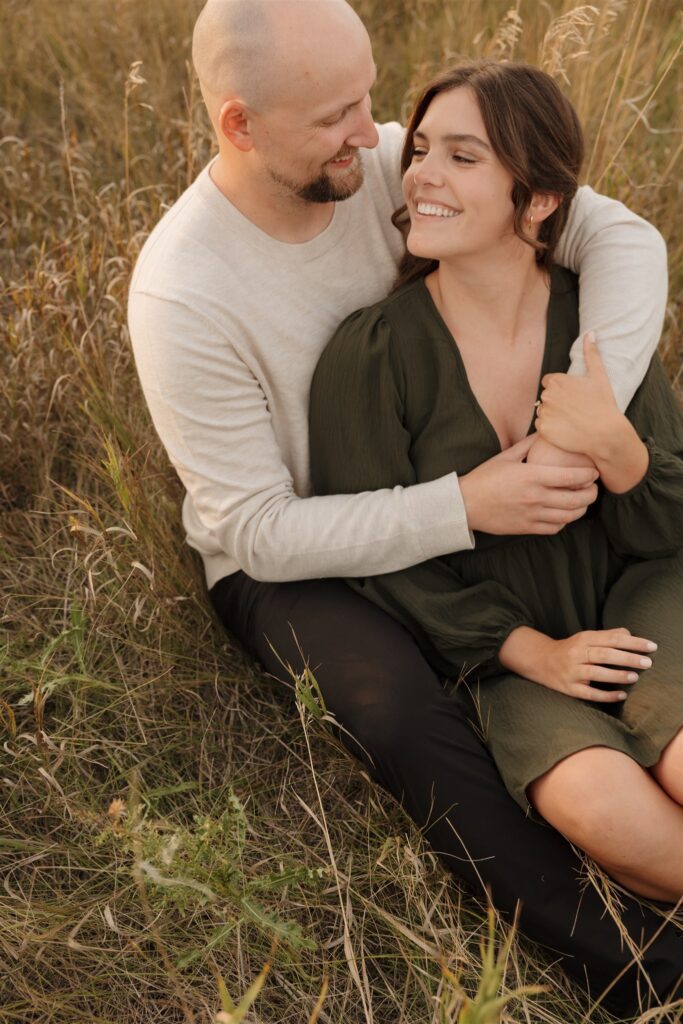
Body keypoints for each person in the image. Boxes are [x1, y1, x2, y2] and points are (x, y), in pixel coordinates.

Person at [127, 0, 681, 1012]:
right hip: (287, 550)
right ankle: (632, 965)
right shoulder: (184, 291)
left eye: (372, 100)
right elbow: (256, 526)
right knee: (400, 709)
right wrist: (465, 505)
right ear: (239, 126)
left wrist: (588, 415)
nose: (375, 138)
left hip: (486, 495)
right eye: (339, 114)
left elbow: (617, 233)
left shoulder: (382, 160)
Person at [309, 53, 683, 935]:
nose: (420, 175)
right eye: (422, 149)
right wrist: (529, 653)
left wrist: (618, 451)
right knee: (603, 810)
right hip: (507, 647)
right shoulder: (369, 356)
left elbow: (670, 523)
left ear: (540, 200)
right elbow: (380, 563)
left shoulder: (600, 323)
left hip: (647, 600)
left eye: (462, 157)